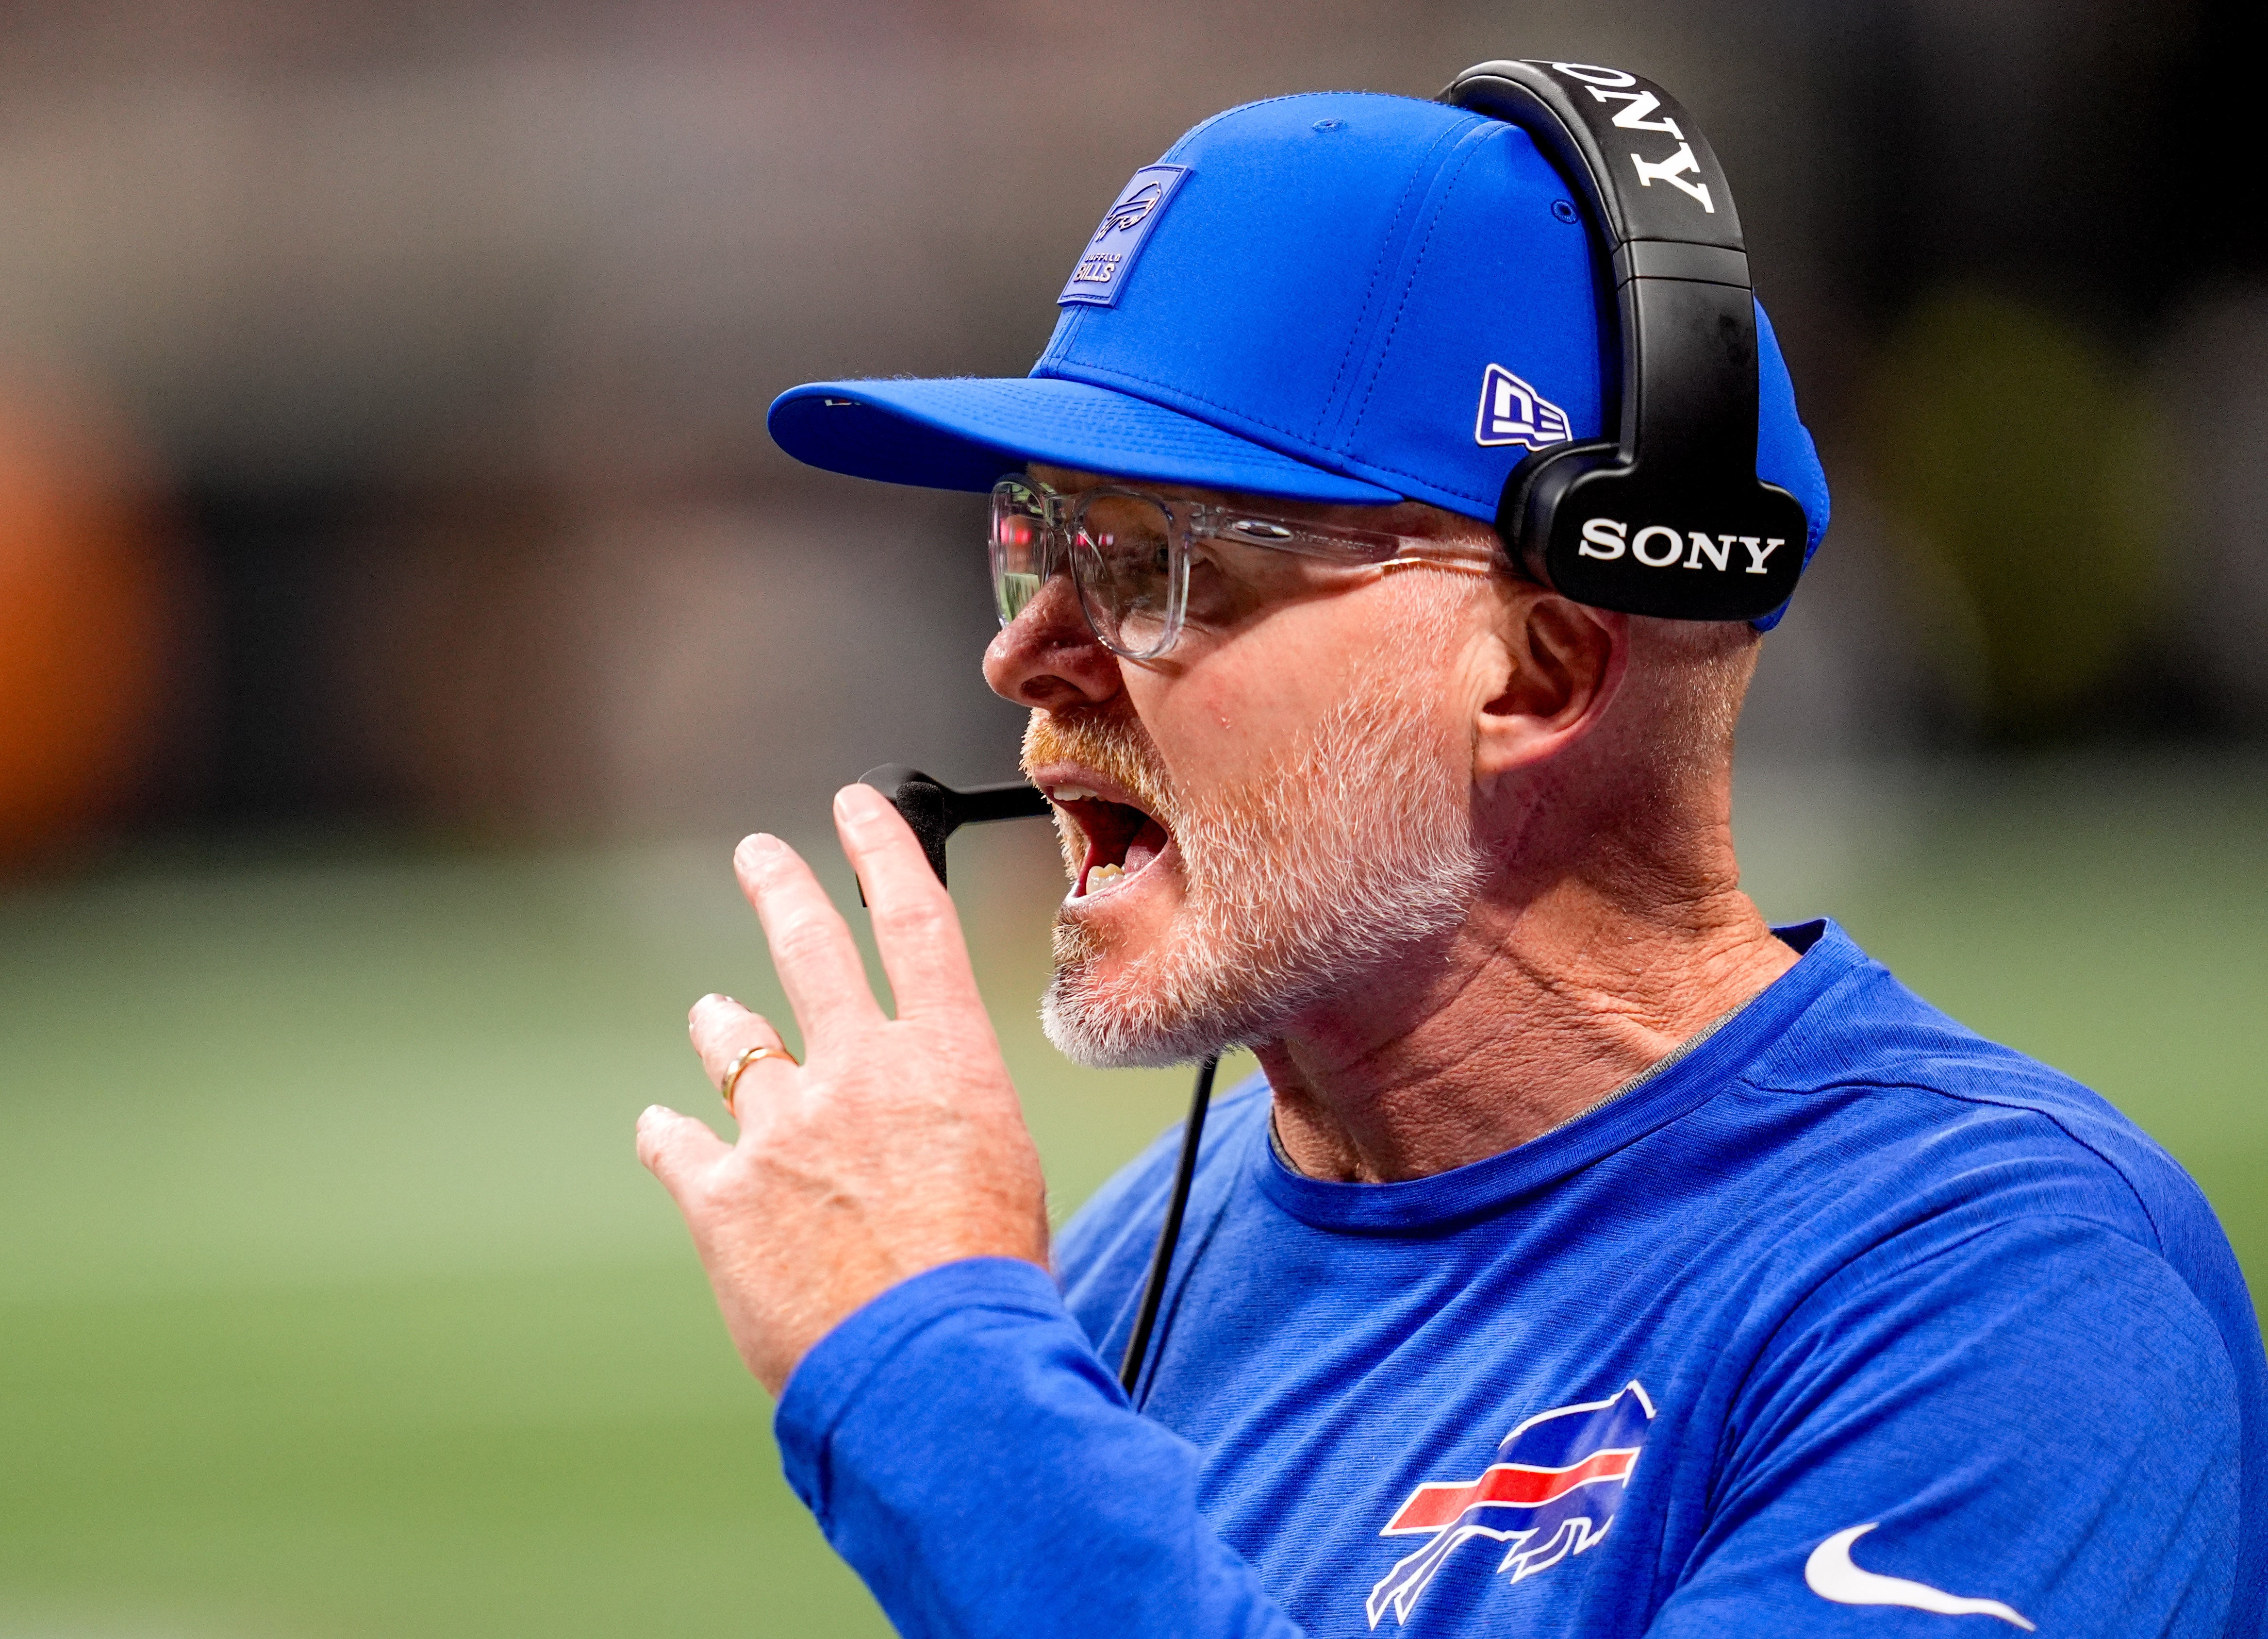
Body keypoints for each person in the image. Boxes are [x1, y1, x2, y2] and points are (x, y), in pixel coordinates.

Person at [634, 84, 2267, 1638]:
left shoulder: (2003, 1297)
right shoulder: (1116, 1278)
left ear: (1542, 671)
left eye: (1154, 564)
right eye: (1032, 544)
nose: (1030, 656)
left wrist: (945, 1395)